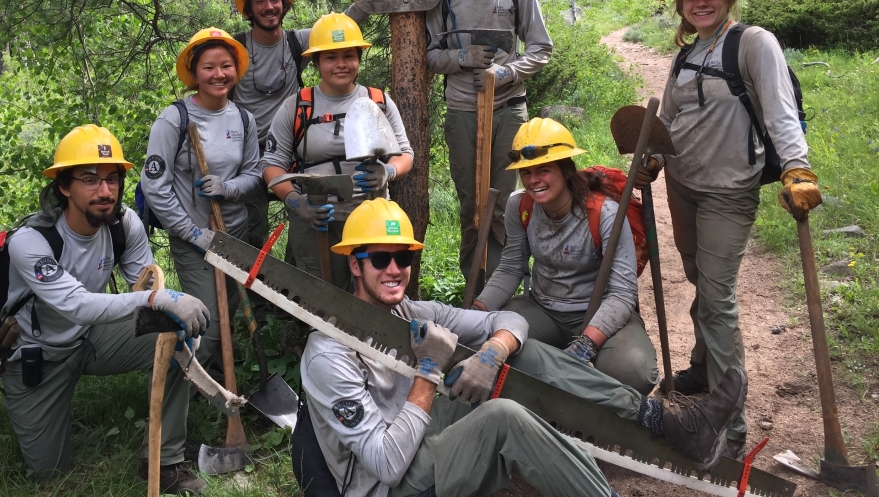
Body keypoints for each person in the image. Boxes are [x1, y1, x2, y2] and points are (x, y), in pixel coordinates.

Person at [297, 198, 748, 497]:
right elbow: (388, 464)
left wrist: (493, 351)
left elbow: (508, 319)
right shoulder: (327, 355)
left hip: (422, 431)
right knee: (503, 416)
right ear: (355, 266)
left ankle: (668, 422)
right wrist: (429, 372)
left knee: (522, 356)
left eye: (404, 258)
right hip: (389, 483)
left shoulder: (413, 312)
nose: (394, 269)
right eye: (379, 259)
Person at [638, 0, 822, 456]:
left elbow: (781, 110)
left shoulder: (753, 44)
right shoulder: (686, 54)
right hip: (683, 185)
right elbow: (669, 120)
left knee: (717, 299)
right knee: (700, 278)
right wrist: (653, 155)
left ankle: (727, 423)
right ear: (681, 5)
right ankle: (703, 366)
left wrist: (796, 166)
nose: (702, 3)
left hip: (728, 191)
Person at [2, 125, 209, 494]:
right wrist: (154, 299)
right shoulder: (31, 241)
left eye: (113, 179)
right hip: (40, 355)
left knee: (178, 337)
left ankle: (164, 459)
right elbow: (78, 304)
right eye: (89, 180)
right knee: (49, 475)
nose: (105, 191)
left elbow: (143, 286)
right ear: (64, 186)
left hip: (92, 338)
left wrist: (164, 301)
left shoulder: (123, 223)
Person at [472, 117, 659, 394]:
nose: (533, 180)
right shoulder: (520, 205)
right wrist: (475, 312)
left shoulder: (604, 214)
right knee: (486, 343)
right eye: (526, 172)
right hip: (542, 308)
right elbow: (511, 269)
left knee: (634, 372)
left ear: (566, 170)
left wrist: (587, 343)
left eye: (544, 170)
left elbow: (622, 292)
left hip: (600, 310)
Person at [424, 0, 554, 283]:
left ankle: (503, 287)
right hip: (462, 111)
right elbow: (428, 55)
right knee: (471, 206)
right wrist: (459, 60)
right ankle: (474, 291)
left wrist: (506, 74)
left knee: (502, 205)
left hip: (508, 110)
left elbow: (541, 48)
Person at [261, 12, 414, 288]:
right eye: (331, 57)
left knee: (370, 293)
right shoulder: (297, 107)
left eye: (349, 55)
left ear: (358, 58)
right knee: (320, 297)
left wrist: (388, 171)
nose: (341, 64)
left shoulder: (378, 101)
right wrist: (296, 202)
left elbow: (405, 154)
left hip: (370, 219)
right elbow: (271, 166)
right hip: (316, 222)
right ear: (317, 62)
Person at [142, 27, 261, 380]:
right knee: (205, 323)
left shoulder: (243, 119)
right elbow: (155, 185)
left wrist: (228, 187)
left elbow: (254, 173)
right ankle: (174, 391)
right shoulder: (174, 119)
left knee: (230, 314)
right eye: (209, 67)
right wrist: (193, 233)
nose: (219, 74)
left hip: (233, 233)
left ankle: (220, 388)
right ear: (194, 73)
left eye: (226, 66)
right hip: (193, 238)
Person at [230, 0, 369, 247]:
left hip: (292, 149)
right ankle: (255, 288)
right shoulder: (235, 49)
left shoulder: (298, 41)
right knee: (253, 232)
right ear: (248, 8)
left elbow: (343, 24)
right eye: (259, 1)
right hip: (247, 153)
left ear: (284, 4)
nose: (269, 7)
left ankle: (299, 275)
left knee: (308, 221)